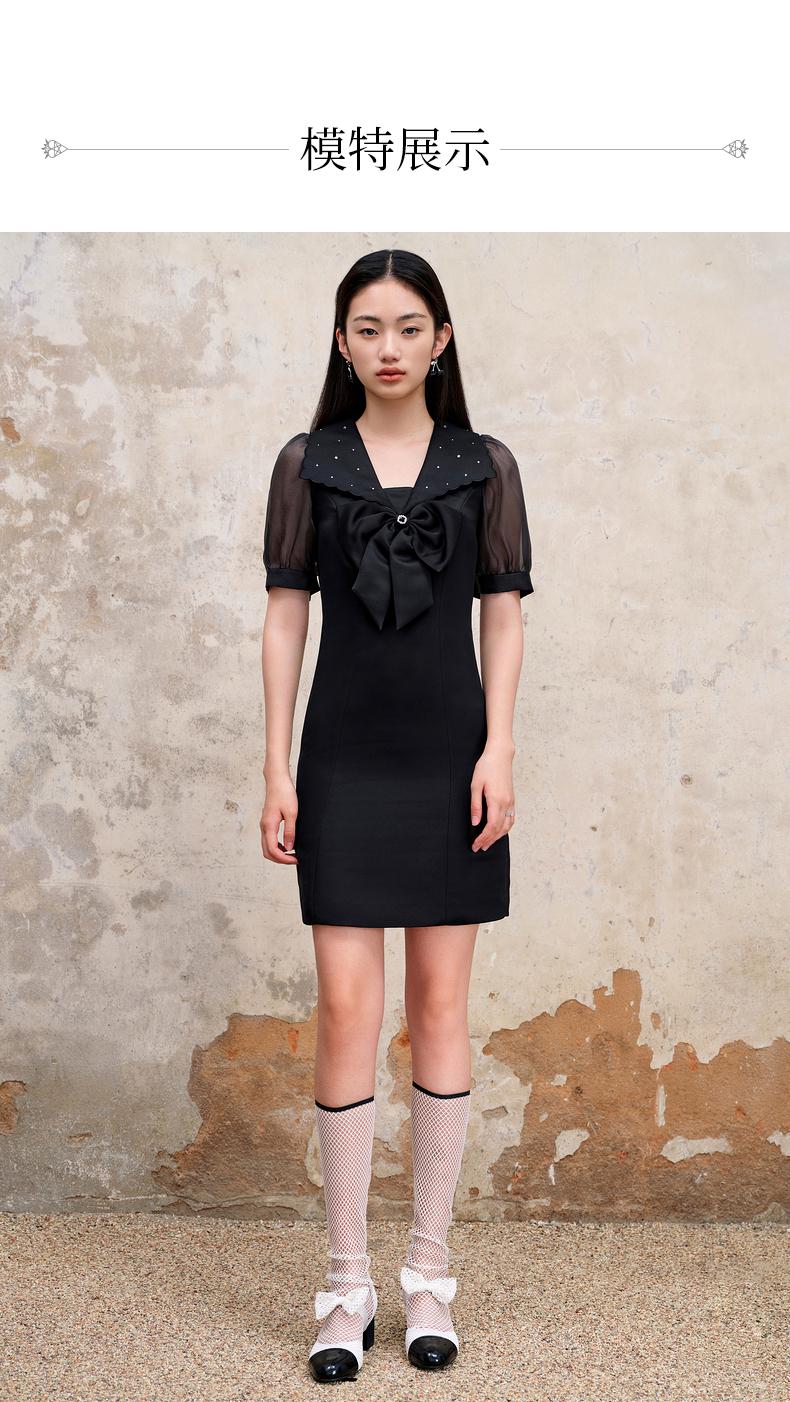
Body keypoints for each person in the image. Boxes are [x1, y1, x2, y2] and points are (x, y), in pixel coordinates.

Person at [260, 248, 533, 1382]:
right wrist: (275, 768)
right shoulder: (307, 461)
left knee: (439, 1005)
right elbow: (285, 615)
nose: (388, 347)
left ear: (441, 339)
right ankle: (344, 1285)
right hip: (341, 760)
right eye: (367, 328)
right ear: (342, 341)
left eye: (409, 327)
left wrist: (499, 747)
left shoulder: (485, 464)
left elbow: (504, 614)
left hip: (450, 759)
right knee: (343, 1007)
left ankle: (428, 1277)